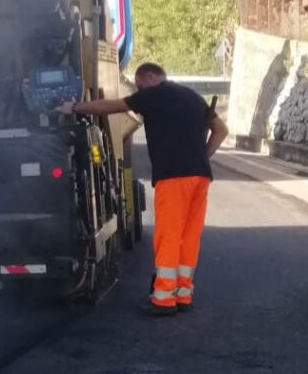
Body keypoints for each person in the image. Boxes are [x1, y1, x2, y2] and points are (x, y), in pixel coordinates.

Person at [58, 63, 229, 317]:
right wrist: (203, 155)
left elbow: (112, 106)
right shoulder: (193, 97)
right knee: (189, 236)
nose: (139, 91)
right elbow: (221, 130)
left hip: (173, 177)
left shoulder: (154, 95)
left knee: (168, 236)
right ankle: (183, 294)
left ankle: (164, 298)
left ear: (150, 77)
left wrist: (74, 107)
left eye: (139, 86)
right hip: (200, 177)